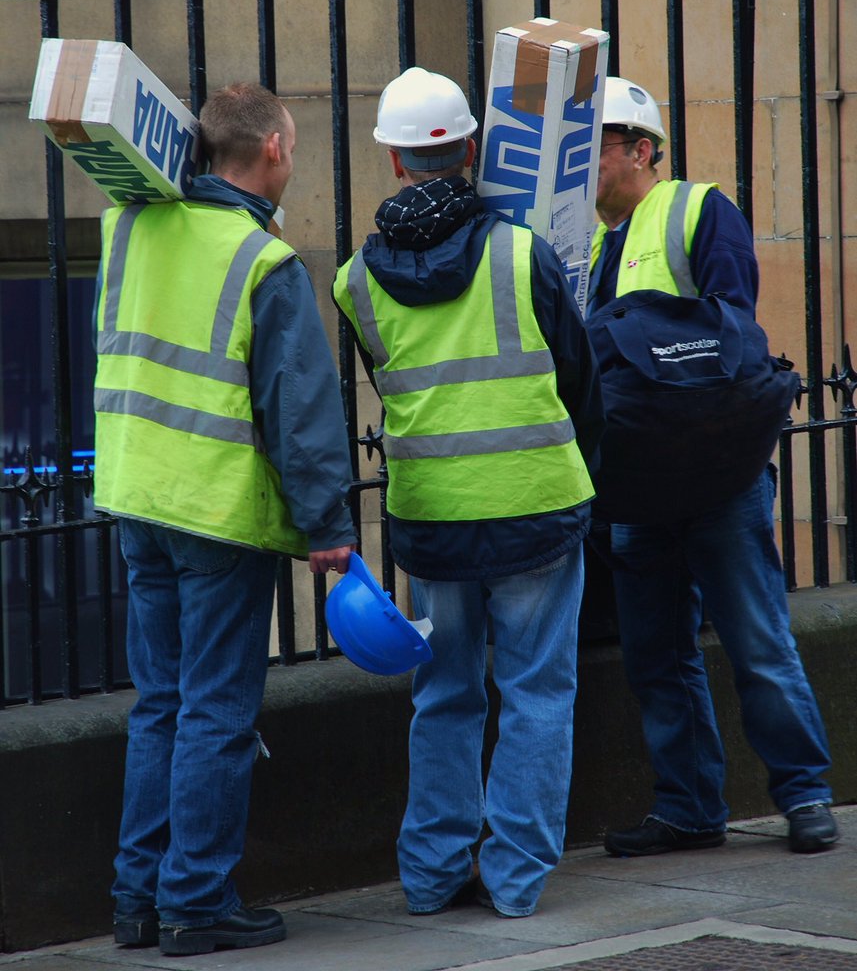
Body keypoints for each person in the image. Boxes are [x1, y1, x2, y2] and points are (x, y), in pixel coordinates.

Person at [332, 67, 604, 918]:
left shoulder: (353, 280)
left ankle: (430, 874)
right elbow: (577, 379)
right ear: (472, 150)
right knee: (536, 694)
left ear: (390, 159)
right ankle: (516, 879)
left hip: (433, 518)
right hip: (534, 505)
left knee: (445, 693)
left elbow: (397, 383)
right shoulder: (523, 252)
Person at [94, 83, 356, 955]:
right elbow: (300, 408)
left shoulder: (127, 229)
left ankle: (137, 898)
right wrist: (326, 524)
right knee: (214, 711)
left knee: (159, 704)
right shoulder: (261, 261)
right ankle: (197, 902)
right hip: (214, 510)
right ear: (274, 150)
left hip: (137, 494)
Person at [587, 75, 839, 858]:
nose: (580, 168)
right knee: (657, 658)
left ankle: (804, 794)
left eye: (592, 150)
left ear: (641, 150)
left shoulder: (696, 209)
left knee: (756, 640)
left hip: (715, 478)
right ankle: (690, 808)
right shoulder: (588, 250)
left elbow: (733, 337)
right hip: (636, 487)